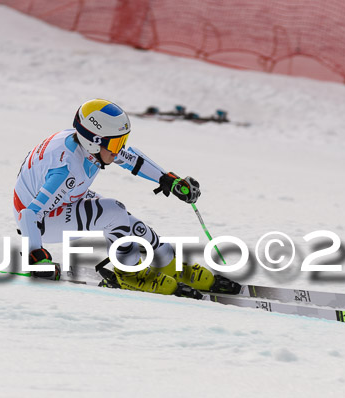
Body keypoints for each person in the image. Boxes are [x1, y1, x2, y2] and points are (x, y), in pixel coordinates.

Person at [13, 98, 219, 295]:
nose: (119, 149)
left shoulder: (88, 145)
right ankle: (129, 275)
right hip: (43, 221)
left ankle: (167, 263)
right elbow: (29, 214)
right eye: (115, 143)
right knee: (114, 212)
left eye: (122, 140)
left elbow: (132, 159)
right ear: (94, 142)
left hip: (66, 197)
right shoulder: (67, 170)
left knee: (126, 221)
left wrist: (169, 180)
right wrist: (36, 257)